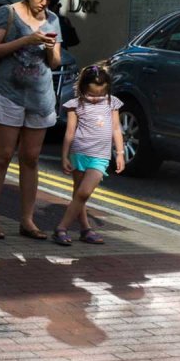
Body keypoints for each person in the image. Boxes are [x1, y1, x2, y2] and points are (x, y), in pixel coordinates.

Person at [0, 0, 63, 240]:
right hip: (8, 94)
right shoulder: (8, 13)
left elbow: (56, 62)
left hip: (40, 98)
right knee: (2, 156)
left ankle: (27, 220)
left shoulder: (52, 20)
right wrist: (26, 39)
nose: (45, 1)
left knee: (31, 158)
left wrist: (51, 51)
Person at [53, 65, 124, 246]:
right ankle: (85, 229)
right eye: (91, 94)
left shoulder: (111, 102)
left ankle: (61, 227)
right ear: (82, 88)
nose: (95, 98)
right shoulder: (75, 104)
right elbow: (70, 132)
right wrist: (64, 156)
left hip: (100, 156)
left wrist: (120, 153)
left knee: (84, 193)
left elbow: (116, 128)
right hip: (79, 153)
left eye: (100, 94)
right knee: (79, 194)